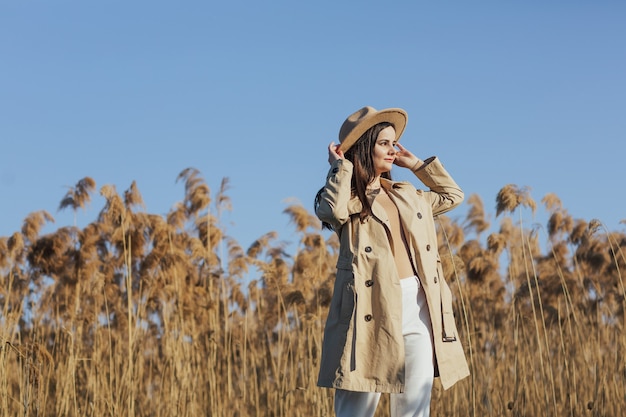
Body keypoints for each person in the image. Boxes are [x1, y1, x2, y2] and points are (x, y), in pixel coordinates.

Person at [314, 106, 470, 417]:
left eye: (394, 142)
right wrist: (340, 167)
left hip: (419, 306)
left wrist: (415, 165)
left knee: (415, 409)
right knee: (356, 408)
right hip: (369, 306)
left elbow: (453, 195)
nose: (393, 149)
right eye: (384, 142)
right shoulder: (347, 201)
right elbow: (331, 211)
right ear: (363, 148)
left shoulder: (408, 194)